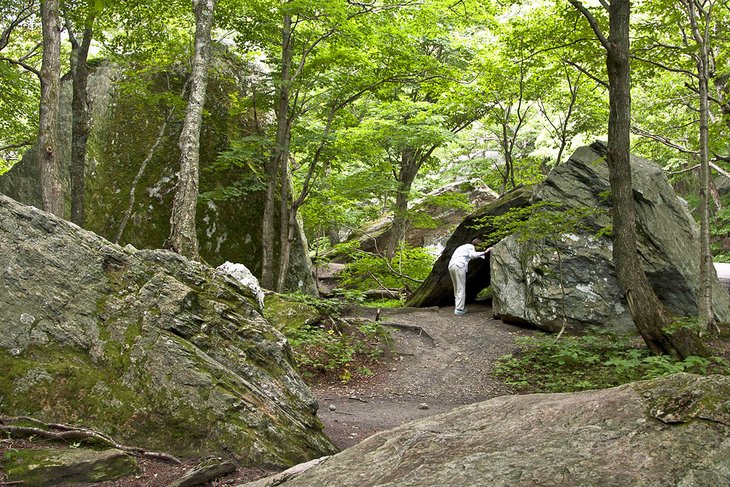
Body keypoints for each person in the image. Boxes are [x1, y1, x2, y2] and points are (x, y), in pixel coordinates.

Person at [448, 237, 492, 315]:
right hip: (459, 266)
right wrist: (485, 252)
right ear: (477, 246)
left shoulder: (462, 247)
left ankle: (458, 307)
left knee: (457, 288)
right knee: (461, 288)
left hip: (451, 266)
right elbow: (473, 255)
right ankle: (459, 309)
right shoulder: (470, 247)